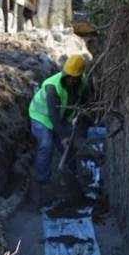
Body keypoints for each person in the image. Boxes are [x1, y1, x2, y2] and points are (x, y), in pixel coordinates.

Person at [28, 54, 88, 199]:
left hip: (62, 117)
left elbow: (84, 102)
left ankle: (72, 178)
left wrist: (78, 122)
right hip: (41, 117)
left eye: (75, 77)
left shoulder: (84, 82)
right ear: (64, 72)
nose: (71, 80)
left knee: (69, 148)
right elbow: (53, 115)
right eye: (69, 76)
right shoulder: (52, 87)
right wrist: (63, 136)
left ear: (80, 76)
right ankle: (42, 181)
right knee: (46, 145)